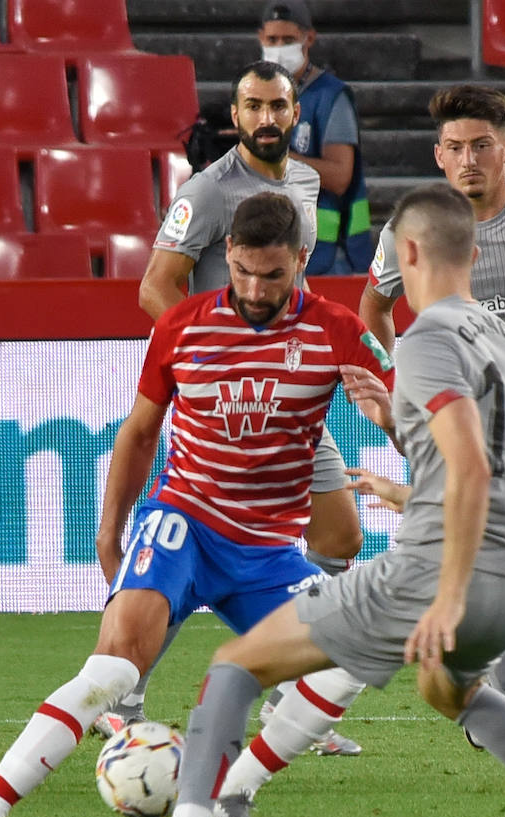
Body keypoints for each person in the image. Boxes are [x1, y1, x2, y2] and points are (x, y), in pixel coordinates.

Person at [89, 184, 505, 817]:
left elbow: (468, 467)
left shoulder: (428, 339)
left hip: (440, 574)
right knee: (453, 691)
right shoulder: (502, 337)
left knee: (235, 664)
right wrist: (410, 487)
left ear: (408, 252)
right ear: (474, 251)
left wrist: (444, 589)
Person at [214, 83, 505, 803]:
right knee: (452, 588)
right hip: (452, 426)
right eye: (455, 147)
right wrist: (402, 387)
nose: (469, 159)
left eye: (483, 146)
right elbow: (373, 307)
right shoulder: (412, 228)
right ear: (437, 154)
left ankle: (469, 704)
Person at [0, 192, 394, 817]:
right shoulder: (183, 325)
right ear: (227, 257)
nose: (255, 288)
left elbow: (417, 431)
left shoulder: (339, 330)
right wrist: (109, 527)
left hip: (266, 548)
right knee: (115, 667)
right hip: (182, 524)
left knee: (352, 654)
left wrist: (386, 415)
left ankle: (231, 795)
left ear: (301, 259)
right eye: (241, 270)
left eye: (272, 274)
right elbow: (140, 433)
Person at [113, 59, 372, 756]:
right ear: (235, 115)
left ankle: (290, 689)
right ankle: (123, 691)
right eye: (252, 105)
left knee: (341, 535)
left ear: (295, 115)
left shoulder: (307, 181)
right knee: (184, 556)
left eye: (277, 106)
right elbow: (154, 287)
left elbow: (296, 277)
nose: (265, 117)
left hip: (284, 393)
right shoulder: (207, 189)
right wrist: (213, 361)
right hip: (219, 401)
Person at [258, 0, 371, 275]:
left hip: (327, 255)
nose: (279, 47)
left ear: (309, 38)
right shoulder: (253, 93)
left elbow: (340, 177)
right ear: (260, 38)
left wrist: (277, 157)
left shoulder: (331, 97)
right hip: (269, 248)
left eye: (288, 39)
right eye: (272, 39)